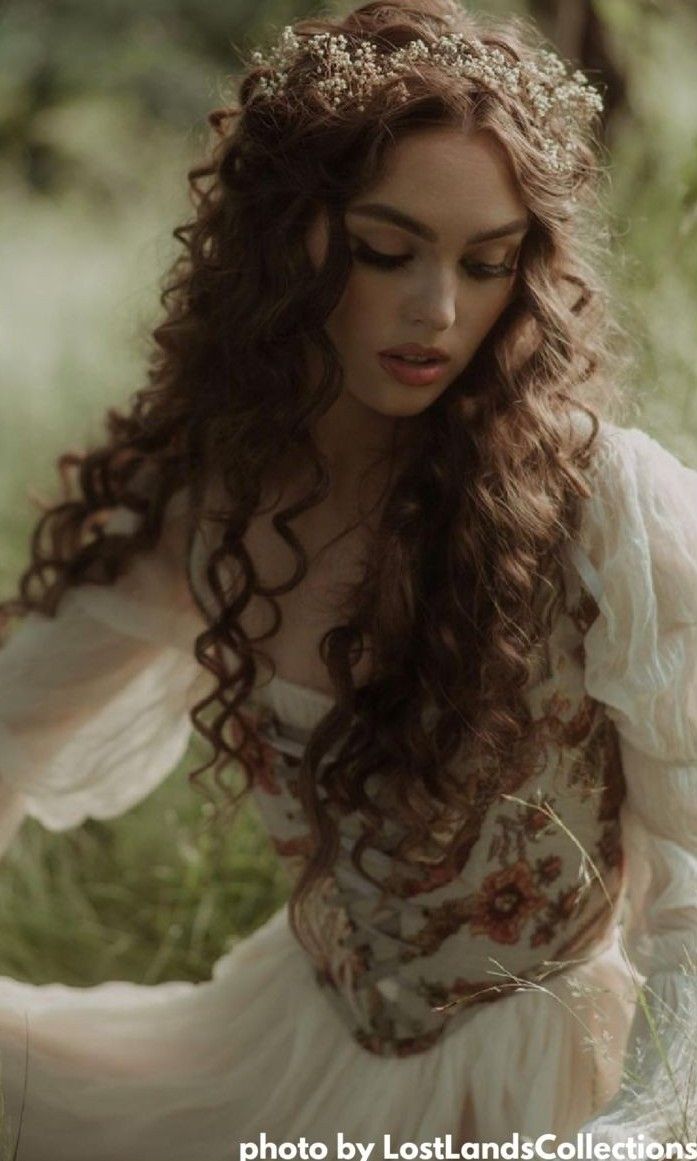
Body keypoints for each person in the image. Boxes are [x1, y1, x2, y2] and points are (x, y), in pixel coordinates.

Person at [0, 0, 696, 1157]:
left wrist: (635, 1127)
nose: (435, 312)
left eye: (485, 264)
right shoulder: (211, 503)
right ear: (289, 240)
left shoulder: (602, 510)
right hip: (294, 1050)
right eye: (386, 250)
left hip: (558, 1087)